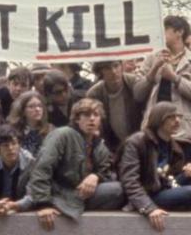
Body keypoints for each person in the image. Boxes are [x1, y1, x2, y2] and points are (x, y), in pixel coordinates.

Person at [29, 98, 124, 230]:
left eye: (96, 115)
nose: (92, 119)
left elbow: (106, 169)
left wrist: (96, 177)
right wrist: (43, 204)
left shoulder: (99, 144)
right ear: (77, 119)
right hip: (57, 195)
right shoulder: (62, 134)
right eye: (86, 115)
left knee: (120, 188)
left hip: (79, 195)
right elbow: (42, 169)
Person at [119, 102, 191, 232]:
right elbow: (130, 181)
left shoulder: (174, 146)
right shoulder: (137, 141)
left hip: (162, 189)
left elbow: (169, 180)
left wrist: (185, 175)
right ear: (158, 118)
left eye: (179, 116)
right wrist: (149, 208)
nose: (177, 120)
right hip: (145, 196)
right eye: (171, 117)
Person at [134, 15, 191, 143]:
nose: (160, 34)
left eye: (165, 30)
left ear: (179, 32)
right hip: (154, 132)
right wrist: (154, 69)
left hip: (183, 133)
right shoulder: (151, 58)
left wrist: (174, 78)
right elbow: (138, 94)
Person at [87, 60, 143, 153]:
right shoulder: (95, 94)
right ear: (100, 72)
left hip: (139, 142)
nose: (113, 71)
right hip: (112, 147)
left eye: (116, 66)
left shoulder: (134, 82)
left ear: (121, 66)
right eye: (107, 68)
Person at [8, 91, 53, 156]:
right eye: (31, 106)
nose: (37, 109)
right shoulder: (12, 131)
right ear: (22, 110)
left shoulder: (50, 130)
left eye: (40, 106)